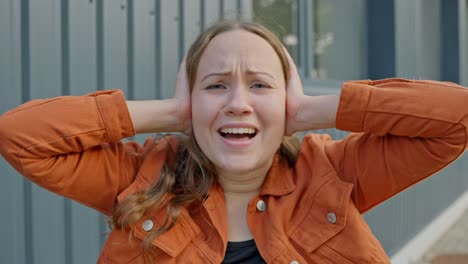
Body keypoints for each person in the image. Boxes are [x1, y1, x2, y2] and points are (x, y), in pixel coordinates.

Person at [0, 20, 467, 264]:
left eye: (260, 86)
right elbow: (20, 137)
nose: (238, 103)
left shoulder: (332, 170)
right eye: (216, 85)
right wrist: (172, 113)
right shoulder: (142, 178)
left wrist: (312, 109)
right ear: (189, 100)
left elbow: (456, 119)